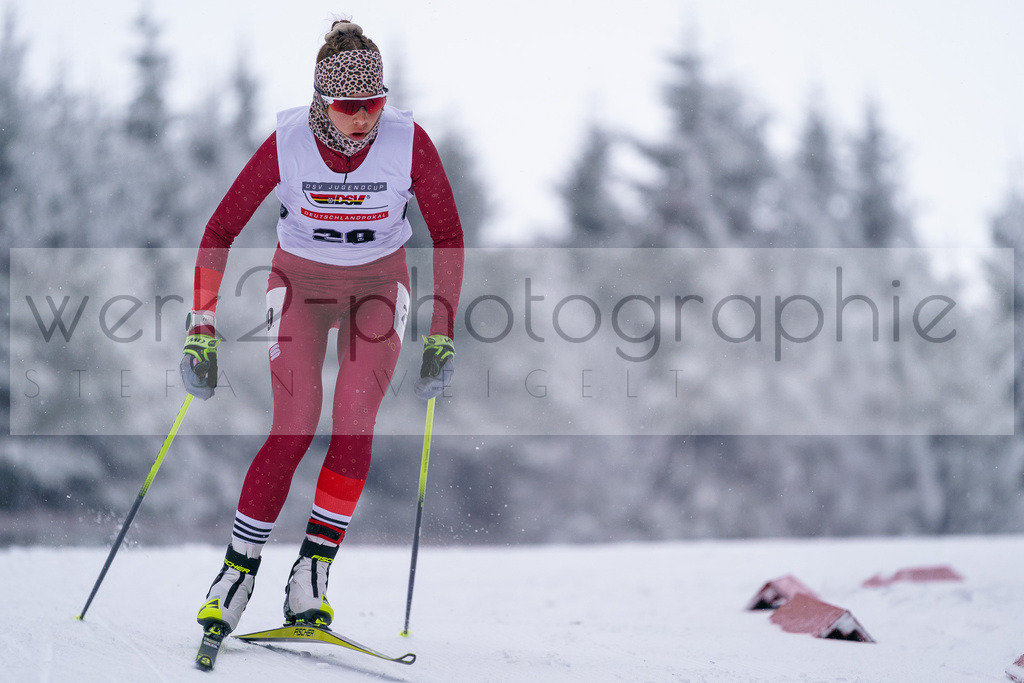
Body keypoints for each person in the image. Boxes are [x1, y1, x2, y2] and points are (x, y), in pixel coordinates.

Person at [180, 17, 463, 635]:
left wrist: (441, 331)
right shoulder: (287, 141)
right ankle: (236, 572)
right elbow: (219, 230)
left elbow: (447, 234)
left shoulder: (408, 140)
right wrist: (201, 326)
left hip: (377, 286)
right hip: (300, 286)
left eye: (375, 103)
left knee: (355, 419)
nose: (364, 118)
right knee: (295, 423)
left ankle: (311, 573)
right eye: (348, 105)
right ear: (321, 101)